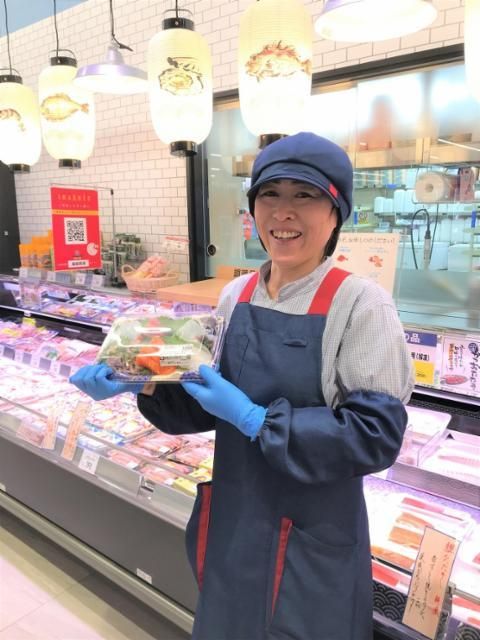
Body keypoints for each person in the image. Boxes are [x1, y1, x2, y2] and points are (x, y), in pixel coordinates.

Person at [71, 132, 414, 640]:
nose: (283, 212)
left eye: (305, 195)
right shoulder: (237, 294)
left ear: (336, 213)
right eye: (269, 194)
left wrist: (256, 419)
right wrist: (141, 384)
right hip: (236, 520)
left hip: (313, 536)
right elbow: (204, 405)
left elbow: (375, 435)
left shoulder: (361, 304)